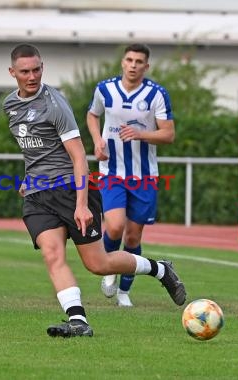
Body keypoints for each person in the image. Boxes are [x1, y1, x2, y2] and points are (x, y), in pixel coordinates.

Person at [3, 43, 186, 338]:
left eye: (37, 69)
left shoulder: (55, 105)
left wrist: (81, 204)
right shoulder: (10, 105)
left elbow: (78, 157)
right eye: (25, 71)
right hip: (38, 194)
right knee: (52, 254)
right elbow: (34, 150)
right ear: (13, 73)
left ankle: (160, 269)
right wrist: (30, 177)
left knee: (98, 264)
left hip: (69, 190)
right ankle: (78, 321)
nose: (32, 76)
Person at [86, 43, 175, 307]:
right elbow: (92, 116)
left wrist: (141, 134)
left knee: (134, 237)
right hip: (111, 172)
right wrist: (96, 142)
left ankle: (125, 291)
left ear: (146, 66)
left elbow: (168, 134)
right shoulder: (105, 89)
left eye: (139, 61)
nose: (133, 65)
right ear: (122, 63)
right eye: (129, 60)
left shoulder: (156, 94)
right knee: (114, 226)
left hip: (144, 176)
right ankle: (109, 268)